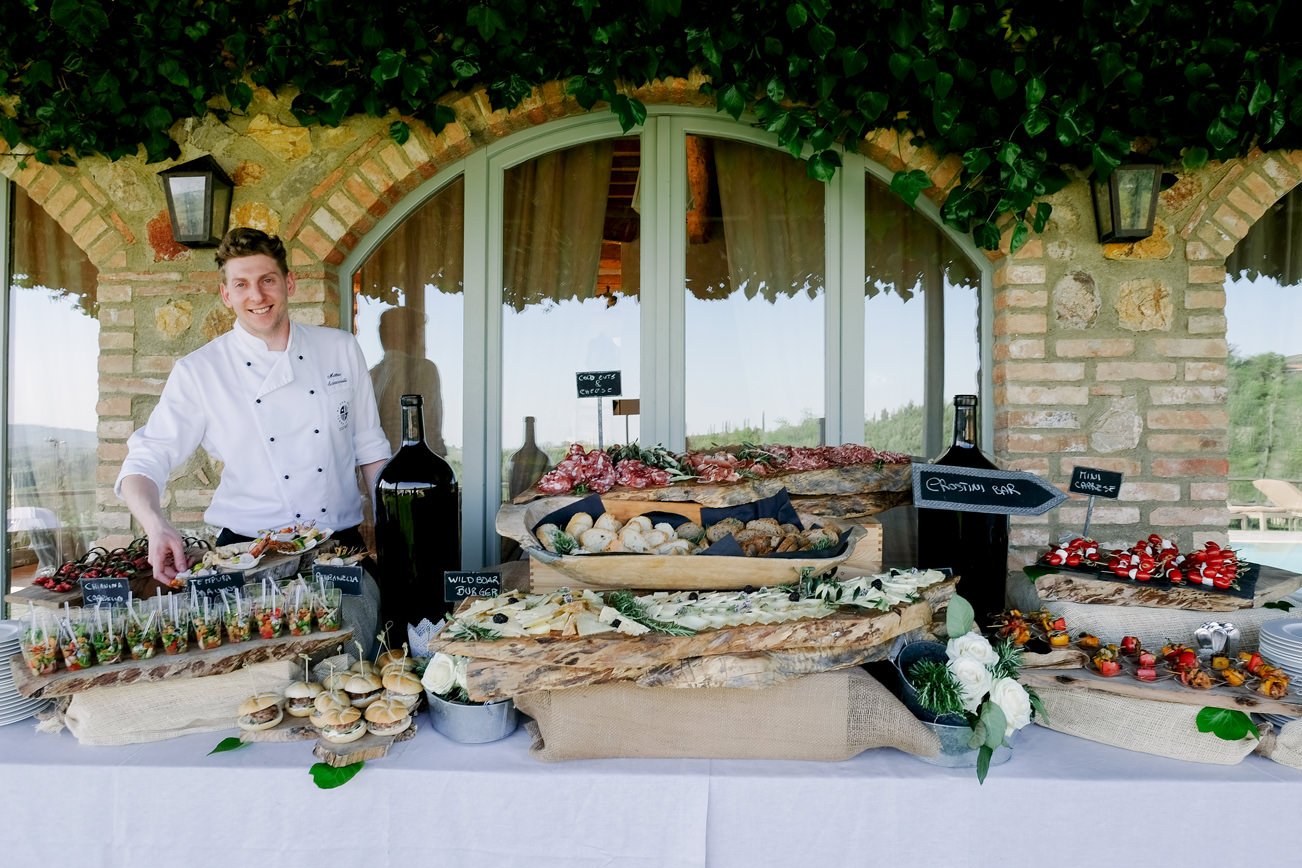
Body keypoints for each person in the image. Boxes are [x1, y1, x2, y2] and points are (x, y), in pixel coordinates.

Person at [116, 228, 392, 585]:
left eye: (267, 280)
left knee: (365, 638)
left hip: (339, 548)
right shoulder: (201, 370)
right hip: (246, 554)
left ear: (289, 283)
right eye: (242, 284)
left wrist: (393, 528)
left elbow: (369, 447)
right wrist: (155, 525)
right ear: (226, 294)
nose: (257, 295)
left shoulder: (340, 348)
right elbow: (146, 459)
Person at [369, 305, 447, 455]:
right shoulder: (424, 370)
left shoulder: (370, 376)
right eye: (419, 334)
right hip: (415, 467)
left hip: (378, 471)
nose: (423, 342)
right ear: (406, 337)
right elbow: (430, 427)